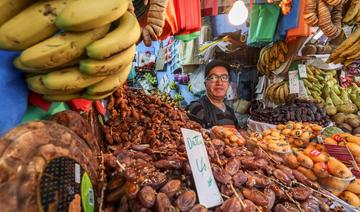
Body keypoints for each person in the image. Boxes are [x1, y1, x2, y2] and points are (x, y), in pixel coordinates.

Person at [187, 60, 239, 129]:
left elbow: (238, 134)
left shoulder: (230, 111)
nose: (219, 82)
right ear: (205, 83)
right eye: (213, 78)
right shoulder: (197, 107)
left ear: (228, 84)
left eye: (224, 78)